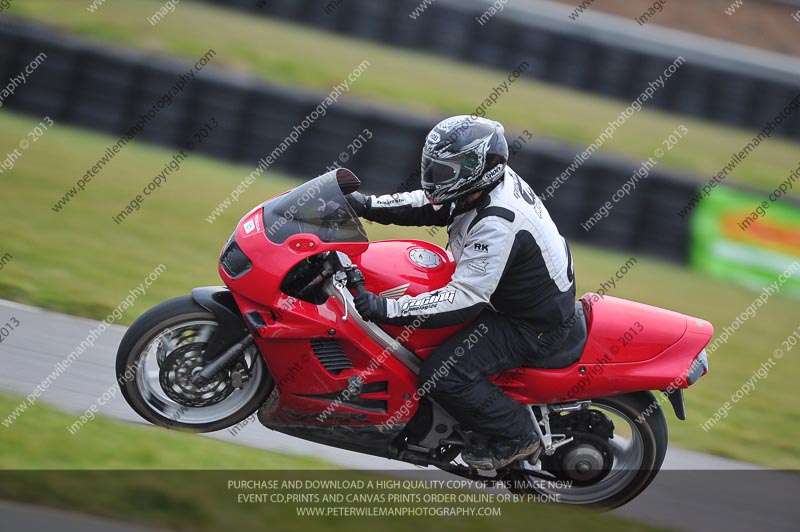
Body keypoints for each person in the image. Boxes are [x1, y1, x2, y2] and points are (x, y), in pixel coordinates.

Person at [346, 115, 576, 470]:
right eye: (434, 167)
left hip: (531, 324)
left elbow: (466, 299)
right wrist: (367, 205)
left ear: (475, 168)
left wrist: (386, 308)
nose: (435, 177)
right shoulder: (479, 187)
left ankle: (517, 436)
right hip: (515, 299)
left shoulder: (497, 221)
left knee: (443, 373)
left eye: (445, 170)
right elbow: (430, 204)